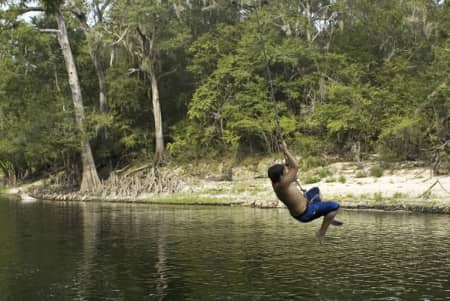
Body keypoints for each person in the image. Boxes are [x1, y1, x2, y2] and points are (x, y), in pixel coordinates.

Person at [268, 142, 343, 240]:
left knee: (316, 191)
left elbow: (292, 172)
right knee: (335, 207)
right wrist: (285, 150)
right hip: (305, 213)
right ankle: (321, 233)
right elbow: (295, 167)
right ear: (281, 176)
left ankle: (327, 217)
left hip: (305, 204)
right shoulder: (283, 184)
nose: (287, 172)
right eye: (285, 172)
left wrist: (287, 161)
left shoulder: (276, 182)